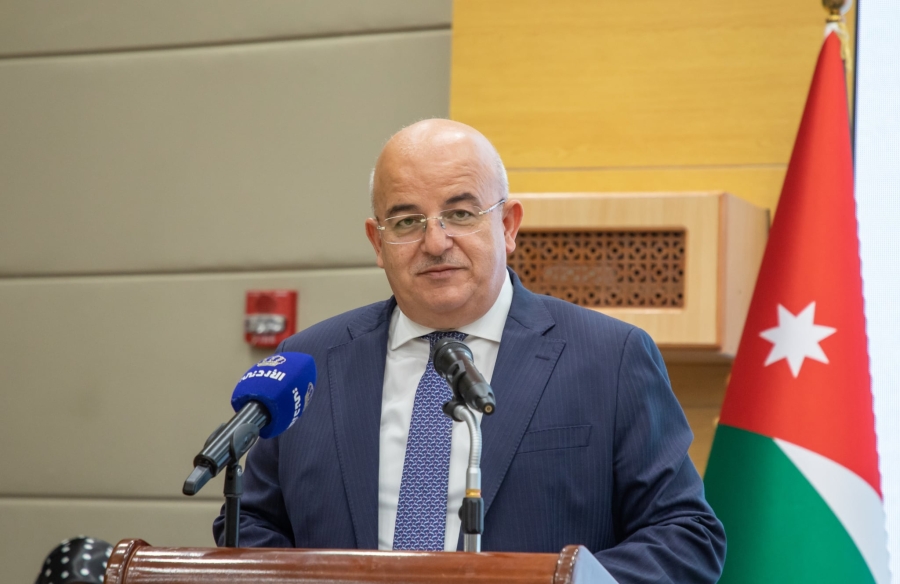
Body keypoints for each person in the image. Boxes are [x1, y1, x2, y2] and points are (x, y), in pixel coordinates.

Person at [214, 119, 726, 582]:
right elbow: (253, 522)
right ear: (377, 242)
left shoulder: (609, 357)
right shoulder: (309, 365)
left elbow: (685, 537)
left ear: (508, 225)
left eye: (460, 214)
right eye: (407, 221)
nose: (436, 242)